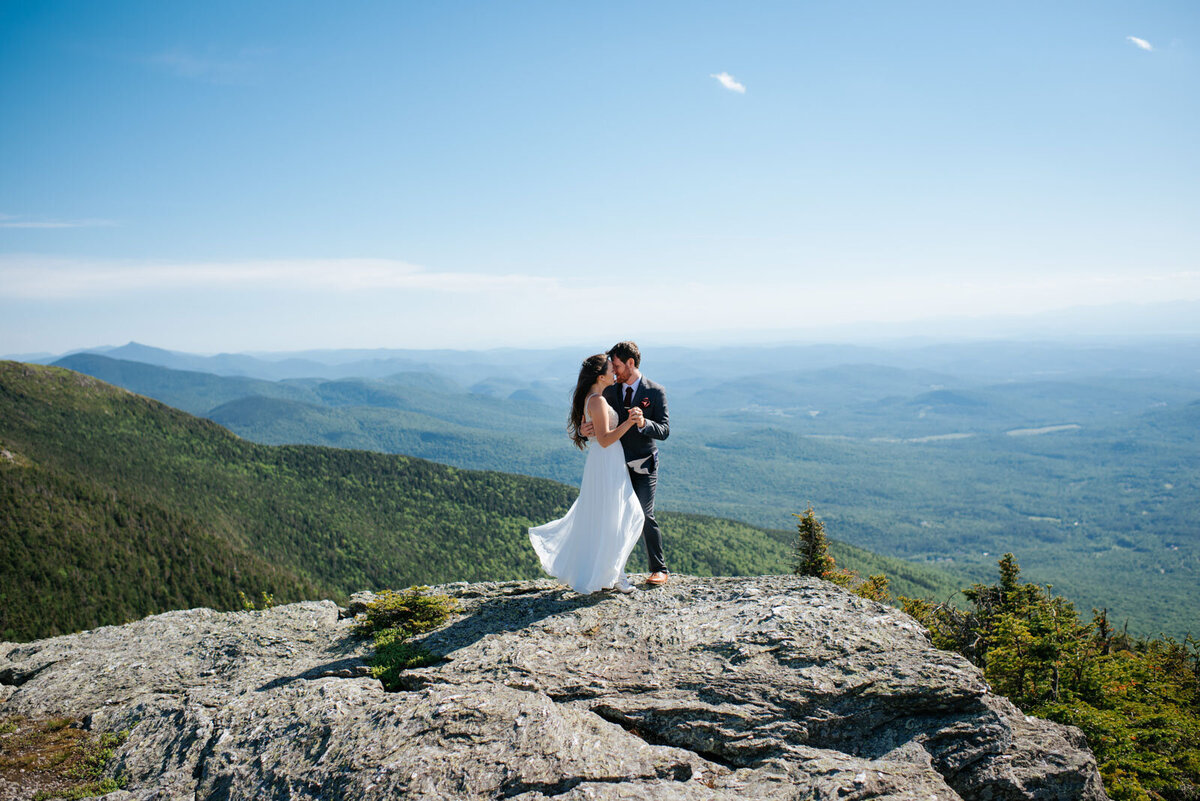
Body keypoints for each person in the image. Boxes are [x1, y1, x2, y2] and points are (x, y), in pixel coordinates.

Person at [528, 354, 645, 594]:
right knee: (625, 516)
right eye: (611, 370)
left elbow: (596, 434)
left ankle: (610, 574)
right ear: (600, 377)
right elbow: (604, 440)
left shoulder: (593, 399)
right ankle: (615, 575)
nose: (615, 373)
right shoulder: (598, 401)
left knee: (612, 517)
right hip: (607, 459)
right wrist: (630, 422)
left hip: (605, 461)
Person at [583, 341, 671, 585]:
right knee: (614, 516)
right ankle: (613, 571)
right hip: (615, 465)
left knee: (643, 514)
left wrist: (643, 424)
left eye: (618, 366)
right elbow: (598, 420)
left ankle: (659, 568)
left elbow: (664, 430)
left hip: (644, 464)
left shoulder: (655, 391)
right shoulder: (610, 390)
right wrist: (584, 429)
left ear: (631, 363)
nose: (614, 370)